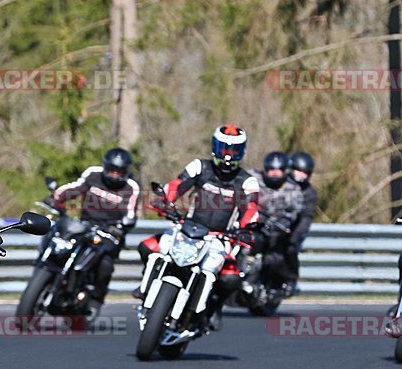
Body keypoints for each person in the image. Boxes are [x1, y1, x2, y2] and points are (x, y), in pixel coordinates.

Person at [135, 125, 260, 330]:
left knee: (230, 278)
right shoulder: (200, 167)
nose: (228, 155)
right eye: (224, 148)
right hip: (187, 229)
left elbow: (251, 208)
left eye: (233, 150)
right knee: (147, 247)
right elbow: (178, 184)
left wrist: (246, 227)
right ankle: (148, 286)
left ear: (242, 152)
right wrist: (164, 199)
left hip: (220, 239)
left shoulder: (247, 181)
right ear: (214, 147)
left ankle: (214, 307)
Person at [49, 148, 140, 318]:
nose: (114, 175)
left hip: (111, 232)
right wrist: (57, 198)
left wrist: (123, 225)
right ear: (105, 167)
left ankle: (95, 301)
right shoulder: (93, 174)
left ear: (125, 172)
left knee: (105, 265)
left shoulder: (131, 187)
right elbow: (75, 188)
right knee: (61, 244)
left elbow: (131, 213)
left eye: (118, 172)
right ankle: (54, 278)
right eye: (111, 170)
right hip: (85, 225)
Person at [248, 151, 304, 296]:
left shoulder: (293, 189)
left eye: (278, 170)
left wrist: (281, 223)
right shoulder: (253, 179)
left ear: (285, 170)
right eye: (271, 169)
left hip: (274, 229)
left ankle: (280, 283)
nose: (274, 173)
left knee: (275, 257)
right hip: (250, 224)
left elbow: (293, 212)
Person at [286, 151, 318, 293]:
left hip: (294, 230)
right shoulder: (281, 185)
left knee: (290, 250)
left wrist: (295, 235)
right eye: (298, 170)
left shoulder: (310, 193)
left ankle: (291, 279)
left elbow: (307, 217)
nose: (301, 175)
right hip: (274, 227)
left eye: (305, 172)